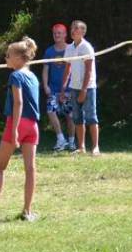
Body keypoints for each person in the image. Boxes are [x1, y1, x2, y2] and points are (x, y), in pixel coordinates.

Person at [0, 38, 40, 222]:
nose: (6, 58)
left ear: (18, 58)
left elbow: (18, 102)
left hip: (17, 123)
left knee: (0, 167)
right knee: (30, 169)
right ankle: (27, 211)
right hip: (33, 125)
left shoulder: (15, 76)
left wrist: (14, 129)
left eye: (8, 55)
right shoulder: (33, 77)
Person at [61, 20, 100, 155]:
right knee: (77, 118)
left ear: (83, 32)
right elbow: (67, 68)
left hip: (88, 87)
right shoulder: (69, 48)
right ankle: (81, 147)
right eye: (72, 28)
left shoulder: (86, 47)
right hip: (74, 87)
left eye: (76, 28)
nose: (72, 31)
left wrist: (84, 90)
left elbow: (89, 70)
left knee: (91, 117)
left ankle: (95, 147)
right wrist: (63, 88)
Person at [41, 23, 74, 151]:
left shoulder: (71, 49)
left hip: (69, 89)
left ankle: (71, 142)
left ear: (65, 34)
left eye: (59, 33)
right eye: (55, 33)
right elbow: (45, 69)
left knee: (70, 115)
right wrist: (45, 85)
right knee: (51, 111)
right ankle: (61, 139)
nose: (57, 35)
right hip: (53, 89)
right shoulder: (49, 51)